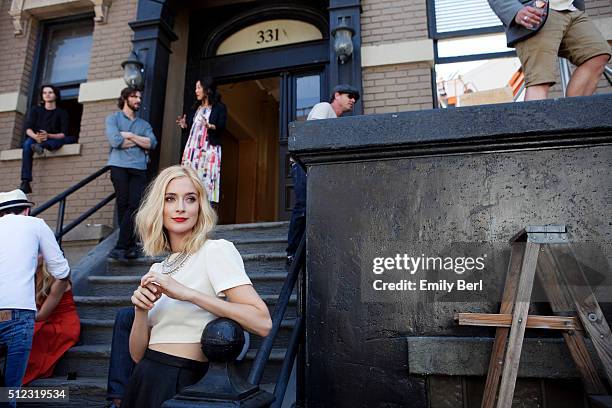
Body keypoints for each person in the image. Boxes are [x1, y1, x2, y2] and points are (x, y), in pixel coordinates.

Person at [121, 165, 271, 408]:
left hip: (184, 379)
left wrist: (188, 293)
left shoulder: (215, 250)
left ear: (200, 207)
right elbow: (138, 355)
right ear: (159, 207)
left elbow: (262, 323)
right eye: (170, 199)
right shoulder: (157, 269)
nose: (180, 207)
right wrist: (141, 310)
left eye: (190, 199)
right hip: (145, 379)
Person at [0, 189, 70, 408]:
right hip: (19, 313)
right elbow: (61, 271)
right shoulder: (36, 225)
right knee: (9, 393)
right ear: (27, 209)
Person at [286, 84, 359, 266]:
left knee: (317, 209)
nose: (353, 100)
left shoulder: (335, 120)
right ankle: (292, 253)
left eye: (355, 98)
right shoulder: (324, 107)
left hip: (317, 168)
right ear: (337, 95)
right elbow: (314, 133)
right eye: (349, 95)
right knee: (303, 206)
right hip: (304, 165)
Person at [487, 0, 611, 101]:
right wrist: (514, 10)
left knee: (598, 54)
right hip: (537, 10)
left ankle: (572, 119)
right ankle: (533, 130)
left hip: (571, 8)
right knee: (540, 79)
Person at [106, 87, 158, 260]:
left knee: (134, 204)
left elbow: (152, 143)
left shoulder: (144, 124)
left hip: (138, 168)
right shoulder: (113, 119)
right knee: (123, 204)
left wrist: (129, 136)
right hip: (118, 166)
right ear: (125, 98)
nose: (138, 100)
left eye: (139, 97)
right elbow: (115, 141)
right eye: (134, 96)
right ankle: (130, 246)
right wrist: (139, 141)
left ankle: (121, 246)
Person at [22, 257, 80, 384]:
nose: (32, 255)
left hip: (62, 324)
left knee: (28, 334)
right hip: (40, 319)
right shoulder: (28, 275)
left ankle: (16, 381)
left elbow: (42, 315)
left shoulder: (60, 279)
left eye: (37, 252)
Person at [177, 79, 227, 204]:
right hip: (192, 150)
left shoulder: (219, 108)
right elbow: (191, 128)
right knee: (190, 181)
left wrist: (210, 126)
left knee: (206, 182)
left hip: (209, 149)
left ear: (207, 89)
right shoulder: (195, 108)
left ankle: (205, 217)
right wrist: (184, 126)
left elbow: (222, 127)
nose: (196, 91)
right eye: (196, 88)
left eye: (199, 87)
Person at [20, 85, 77, 194]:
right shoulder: (35, 110)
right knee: (27, 144)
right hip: (35, 139)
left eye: (50, 92)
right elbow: (28, 129)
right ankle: (25, 182)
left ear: (55, 95)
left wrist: (48, 135)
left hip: (52, 139)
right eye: (44, 93)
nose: (47, 94)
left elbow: (63, 134)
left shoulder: (62, 113)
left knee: (71, 139)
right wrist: (36, 137)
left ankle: (42, 147)